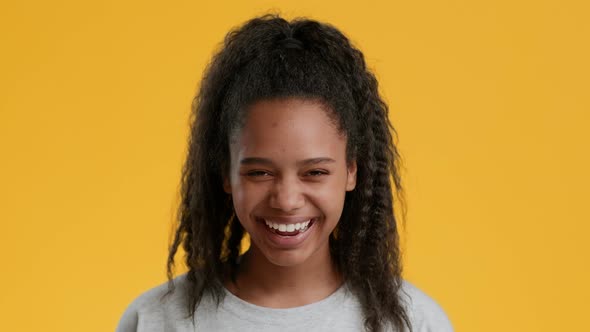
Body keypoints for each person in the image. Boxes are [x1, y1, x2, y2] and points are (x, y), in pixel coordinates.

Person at [116, 14, 453, 332]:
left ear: (352, 171)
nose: (287, 200)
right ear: (226, 174)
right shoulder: (156, 320)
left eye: (315, 172)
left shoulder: (413, 322)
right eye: (259, 173)